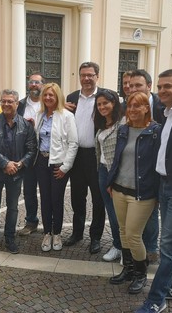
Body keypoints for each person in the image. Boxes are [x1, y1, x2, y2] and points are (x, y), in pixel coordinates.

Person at [135, 69, 172, 313]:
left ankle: (156, 300)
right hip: (165, 186)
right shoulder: (165, 112)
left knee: (168, 248)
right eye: (159, 87)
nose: (161, 91)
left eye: (167, 86)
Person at [108, 92, 161, 295]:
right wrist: (111, 180)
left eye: (137, 106)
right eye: (129, 106)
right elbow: (117, 159)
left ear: (146, 108)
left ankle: (140, 273)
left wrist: (157, 193)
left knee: (133, 234)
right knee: (123, 231)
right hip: (120, 188)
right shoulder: (124, 129)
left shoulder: (155, 132)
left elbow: (159, 164)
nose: (132, 110)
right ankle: (128, 269)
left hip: (142, 193)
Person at [0, 89, 37, 262]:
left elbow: (32, 149)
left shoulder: (26, 125)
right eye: (3, 101)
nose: (6, 104)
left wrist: (19, 164)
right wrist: (5, 163)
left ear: (17, 104)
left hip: (16, 174)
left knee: (13, 208)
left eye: (10, 101)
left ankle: (10, 238)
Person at [64, 61, 105, 255]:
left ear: (97, 76)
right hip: (77, 155)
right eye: (83, 75)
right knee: (77, 197)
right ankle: (77, 233)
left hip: (97, 156)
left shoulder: (105, 96)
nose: (87, 79)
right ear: (79, 77)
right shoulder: (72, 98)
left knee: (98, 199)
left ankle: (95, 237)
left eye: (90, 75)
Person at [35, 83, 78, 251]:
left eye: (51, 95)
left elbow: (73, 143)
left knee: (56, 199)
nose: (47, 98)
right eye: (45, 95)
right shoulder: (39, 115)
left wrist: (65, 167)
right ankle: (47, 233)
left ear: (58, 97)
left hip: (58, 164)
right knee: (44, 199)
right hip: (41, 162)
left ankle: (57, 233)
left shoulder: (66, 116)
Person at [129, 69, 165, 263]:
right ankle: (133, 250)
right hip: (132, 169)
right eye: (130, 85)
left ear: (149, 87)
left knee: (151, 213)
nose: (133, 89)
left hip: (156, 170)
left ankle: (150, 249)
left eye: (138, 85)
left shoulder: (162, 107)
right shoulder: (125, 106)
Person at [93, 89, 124, 261]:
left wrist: (114, 178)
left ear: (114, 103)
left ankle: (124, 247)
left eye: (106, 103)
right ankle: (117, 244)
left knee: (119, 213)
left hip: (116, 174)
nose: (102, 107)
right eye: (99, 104)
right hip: (103, 171)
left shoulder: (123, 124)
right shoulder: (101, 125)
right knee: (111, 211)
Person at [17, 73, 45, 236]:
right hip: (26, 154)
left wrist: (36, 127)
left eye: (37, 82)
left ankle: (51, 223)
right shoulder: (20, 105)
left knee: (47, 191)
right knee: (28, 190)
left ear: (43, 84)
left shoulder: (49, 103)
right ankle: (31, 221)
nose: (34, 85)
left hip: (44, 153)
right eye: (31, 82)